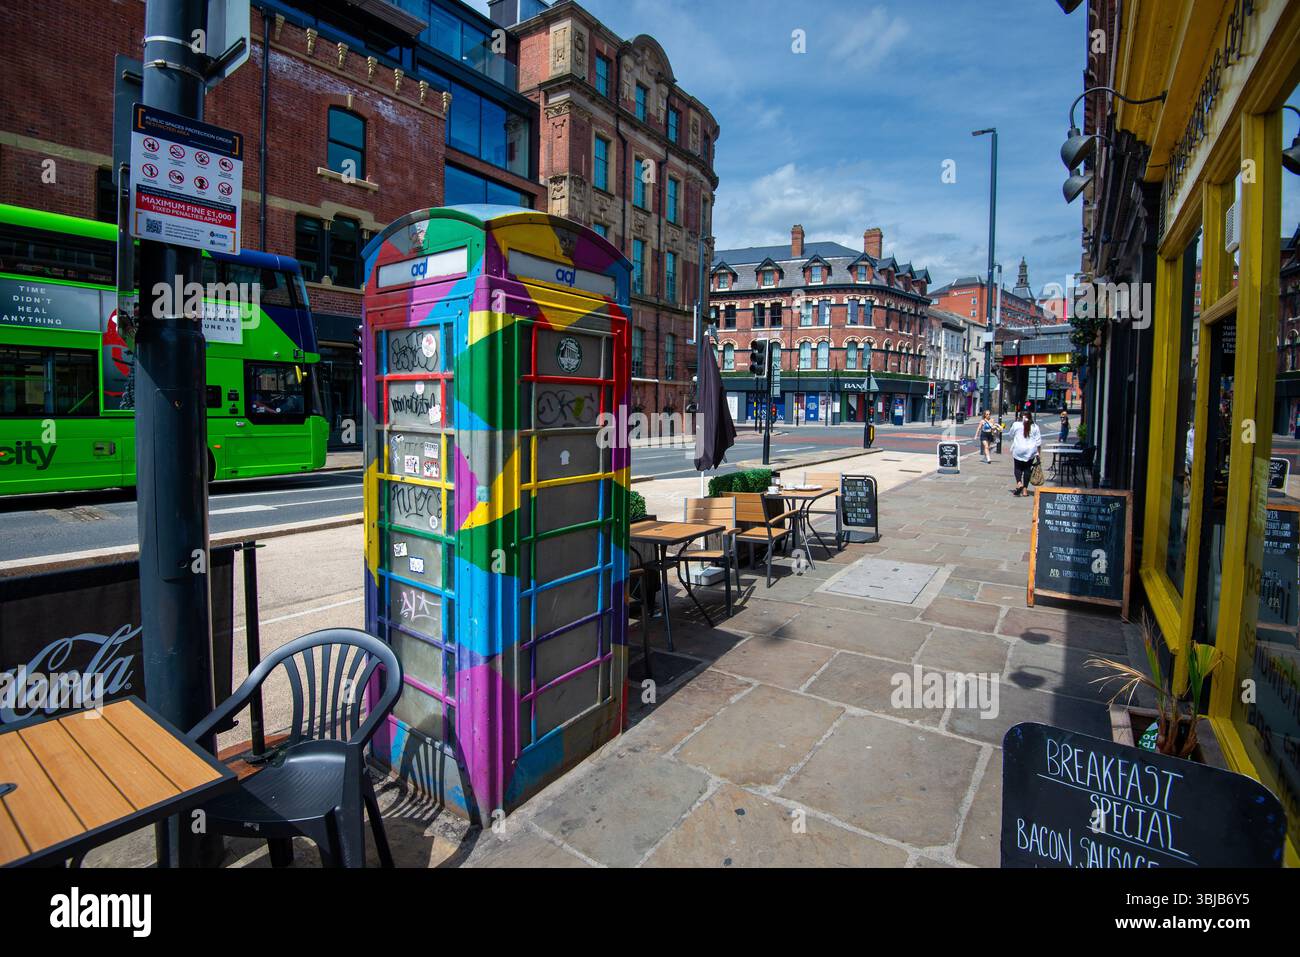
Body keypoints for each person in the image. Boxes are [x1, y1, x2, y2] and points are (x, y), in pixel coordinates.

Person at [1011, 410, 1043, 496]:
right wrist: (1038, 454)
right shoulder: (1035, 426)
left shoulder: (1016, 424)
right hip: (1030, 450)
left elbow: (1011, 434)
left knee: (1017, 467)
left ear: (1020, 417)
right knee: (1027, 469)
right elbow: (1038, 442)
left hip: (1018, 449)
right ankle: (1025, 490)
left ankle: (1019, 483)